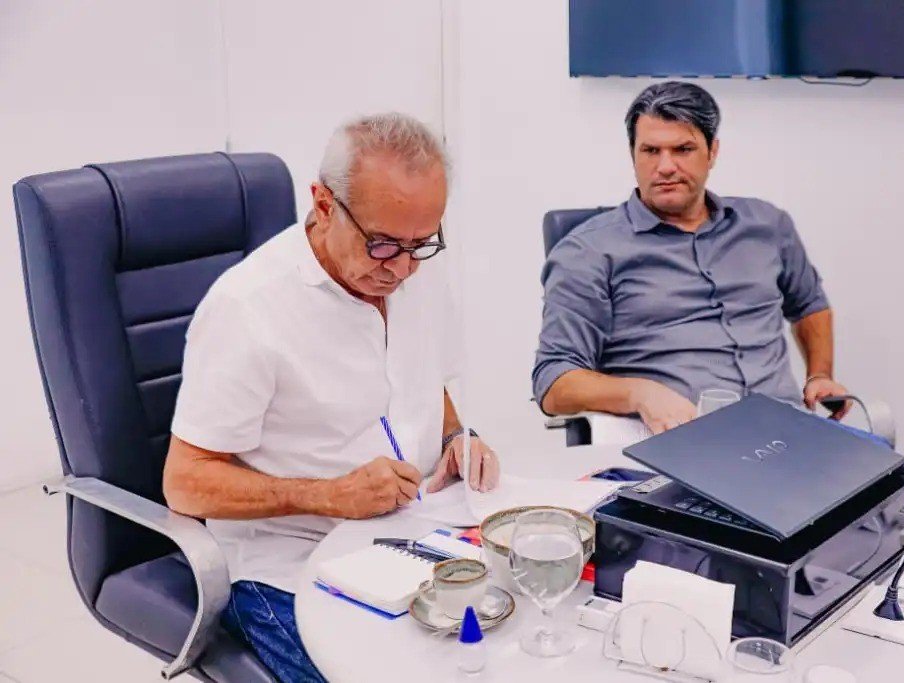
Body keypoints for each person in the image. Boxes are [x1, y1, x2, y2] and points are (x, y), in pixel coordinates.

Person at [163, 113, 499, 682]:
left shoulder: (415, 272)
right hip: (288, 563)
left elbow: (423, 379)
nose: (402, 268)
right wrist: (329, 495)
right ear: (323, 204)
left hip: (414, 536)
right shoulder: (248, 308)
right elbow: (185, 481)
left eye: (422, 243)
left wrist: (453, 438)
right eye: (383, 244)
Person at [533, 81, 850, 435]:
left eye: (683, 149)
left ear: (712, 152)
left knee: (886, 465)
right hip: (681, 440)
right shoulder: (587, 251)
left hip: (790, 432)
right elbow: (553, 382)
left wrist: (820, 375)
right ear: (633, 155)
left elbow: (809, 305)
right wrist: (639, 393)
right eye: (650, 151)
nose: (665, 166)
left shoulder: (768, 225)